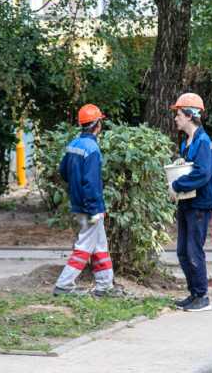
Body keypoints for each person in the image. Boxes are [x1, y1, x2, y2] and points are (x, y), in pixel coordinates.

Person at [53, 104, 118, 297]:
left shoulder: (74, 144)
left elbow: (63, 171)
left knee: (100, 246)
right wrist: (94, 209)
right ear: (97, 124)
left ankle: (105, 286)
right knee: (84, 246)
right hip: (90, 207)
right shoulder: (93, 149)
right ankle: (63, 285)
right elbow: (91, 183)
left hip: (78, 203)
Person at [168, 93, 212, 312]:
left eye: (178, 114)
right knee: (181, 250)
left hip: (199, 203)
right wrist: (182, 163)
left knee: (193, 249)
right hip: (187, 202)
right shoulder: (187, 142)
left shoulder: (203, 141)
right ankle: (193, 293)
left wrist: (177, 185)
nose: (176, 118)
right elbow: (192, 167)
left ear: (189, 115)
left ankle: (202, 296)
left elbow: (203, 173)